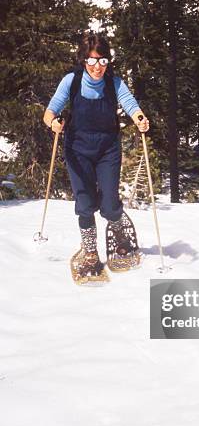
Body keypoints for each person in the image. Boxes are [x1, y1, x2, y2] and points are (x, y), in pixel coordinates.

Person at [43, 32, 150, 283]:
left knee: (110, 203)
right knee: (85, 202)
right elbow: (50, 111)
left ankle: (118, 226)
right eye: (92, 61)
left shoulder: (115, 83)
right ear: (83, 61)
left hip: (107, 149)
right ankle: (90, 250)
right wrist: (53, 124)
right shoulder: (71, 81)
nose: (97, 67)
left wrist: (140, 119)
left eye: (102, 61)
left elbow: (131, 104)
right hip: (78, 150)